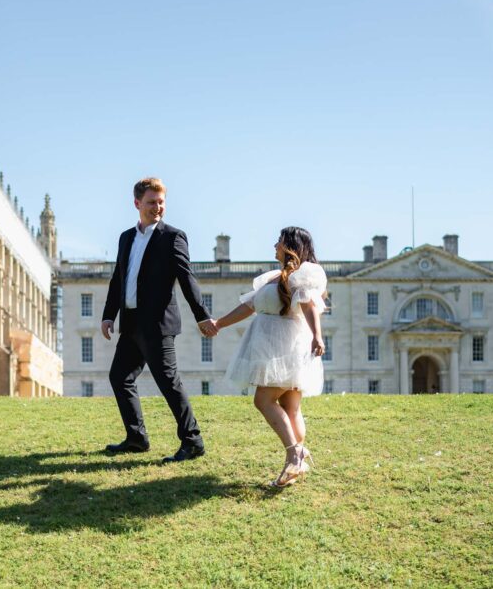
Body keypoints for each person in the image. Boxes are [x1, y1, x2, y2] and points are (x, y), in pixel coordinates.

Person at [101, 177, 218, 462]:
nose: (158, 208)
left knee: (168, 381)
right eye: (152, 202)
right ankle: (136, 438)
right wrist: (108, 315)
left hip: (158, 325)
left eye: (161, 202)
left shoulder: (172, 237)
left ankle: (193, 441)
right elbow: (119, 279)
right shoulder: (126, 237)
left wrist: (202, 315)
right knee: (120, 376)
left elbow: (186, 277)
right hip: (130, 325)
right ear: (137, 203)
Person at [215, 226, 327, 487]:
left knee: (263, 399)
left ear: (290, 246)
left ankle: (294, 454)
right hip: (270, 345)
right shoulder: (275, 277)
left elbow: (310, 305)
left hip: (286, 347)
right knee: (290, 406)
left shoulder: (302, 275)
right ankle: (298, 459)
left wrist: (317, 335)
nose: (274, 245)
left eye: (279, 241)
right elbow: (249, 306)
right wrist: (219, 323)